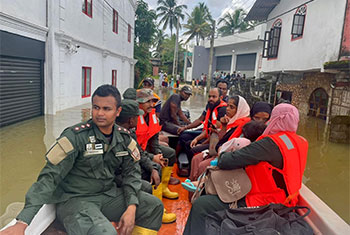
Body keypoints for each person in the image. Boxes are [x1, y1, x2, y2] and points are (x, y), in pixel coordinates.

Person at [1, 85, 163, 235]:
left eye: (107, 109)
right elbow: (49, 178)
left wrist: (131, 206)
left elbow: (131, 175)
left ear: (118, 111)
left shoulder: (124, 138)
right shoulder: (75, 137)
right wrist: (22, 222)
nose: (100, 113)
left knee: (154, 207)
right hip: (75, 200)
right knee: (105, 232)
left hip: (107, 195)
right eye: (96, 107)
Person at [183, 103, 308, 235]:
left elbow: (227, 161)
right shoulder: (301, 141)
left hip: (264, 203)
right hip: (287, 200)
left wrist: (224, 152)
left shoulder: (270, 143)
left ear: (275, 119)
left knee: (202, 204)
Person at [115, 98, 176, 224]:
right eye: (137, 117)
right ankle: (153, 211)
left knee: (155, 168)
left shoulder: (129, 133)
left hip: (128, 168)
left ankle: (157, 206)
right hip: (118, 175)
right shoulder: (118, 134)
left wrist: (152, 166)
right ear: (131, 119)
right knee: (148, 180)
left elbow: (139, 153)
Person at [188, 95, 251, 181]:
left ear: (239, 110)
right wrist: (224, 126)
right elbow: (220, 139)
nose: (227, 109)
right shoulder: (230, 121)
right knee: (195, 158)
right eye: (227, 106)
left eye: (231, 107)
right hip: (217, 149)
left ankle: (198, 187)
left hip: (226, 155)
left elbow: (226, 144)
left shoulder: (243, 126)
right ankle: (193, 181)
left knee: (202, 165)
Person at [136, 89, 180, 197]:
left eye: (153, 102)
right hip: (137, 151)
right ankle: (157, 199)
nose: (152, 105)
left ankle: (163, 188)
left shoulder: (153, 116)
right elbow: (134, 147)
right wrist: (152, 157)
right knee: (156, 165)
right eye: (148, 102)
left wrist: (158, 154)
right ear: (139, 103)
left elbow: (154, 140)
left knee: (170, 153)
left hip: (146, 148)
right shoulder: (132, 119)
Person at [184, 88, 227, 161]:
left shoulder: (223, 110)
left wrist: (202, 144)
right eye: (209, 96)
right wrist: (196, 138)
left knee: (193, 149)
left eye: (214, 97)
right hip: (207, 134)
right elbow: (203, 123)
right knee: (185, 138)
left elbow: (214, 134)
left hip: (215, 141)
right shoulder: (209, 106)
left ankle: (192, 169)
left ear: (220, 97)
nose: (211, 99)